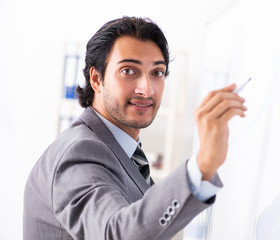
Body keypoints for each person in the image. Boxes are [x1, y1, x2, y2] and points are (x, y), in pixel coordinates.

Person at [23, 16, 247, 240]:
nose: (146, 89)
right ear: (96, 79)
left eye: (157, 73)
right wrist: (202, 166)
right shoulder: (81, 151)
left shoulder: (121, 149)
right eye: (129, 71)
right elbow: (116, 234)